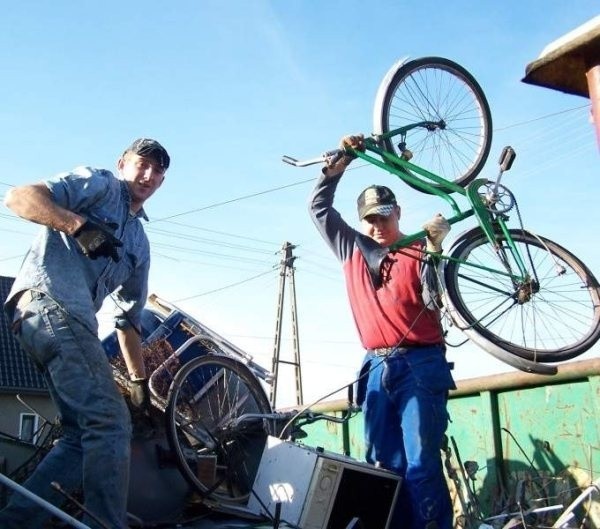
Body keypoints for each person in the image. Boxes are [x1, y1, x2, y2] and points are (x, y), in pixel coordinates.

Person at [0, 138, 170, 529]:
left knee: (81, 436)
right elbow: (18, 197)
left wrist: (140, 381)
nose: (148, 175)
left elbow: (129, 321)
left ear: (162, 180)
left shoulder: (140, 246)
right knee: (110, 424)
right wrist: (78, 226)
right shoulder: (100, 185)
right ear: (122, 163)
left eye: (157, 170)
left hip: (61, 325)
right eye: (141, 164)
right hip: (50, 303)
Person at [308, 134, 456, 529]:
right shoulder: (350, 249)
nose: (378, 225)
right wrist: (337, 169)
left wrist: (437, 247)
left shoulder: (418, 248)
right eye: (370, 218)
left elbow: (435, 295)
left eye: (384, 216)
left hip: (420, 363)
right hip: (375, 367)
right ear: (361, 222)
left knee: (422, 465)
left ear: (398, 213)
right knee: (383, 465)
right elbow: (319, 208)